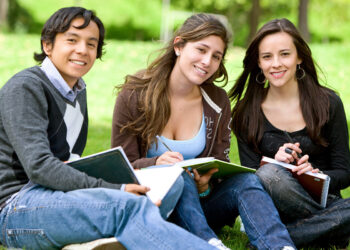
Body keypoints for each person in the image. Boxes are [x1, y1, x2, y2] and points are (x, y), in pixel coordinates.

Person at [0, 7, 221, 250]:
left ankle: (104, 239)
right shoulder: (25, 88)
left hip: (56, 196)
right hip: (16, 206)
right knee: (129, 204)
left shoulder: (75, 92)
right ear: (47, 45)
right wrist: (116, 189)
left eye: (91, 44)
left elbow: (67, 162)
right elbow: (40, 167)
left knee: (168, 184)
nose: (82, 50)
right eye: (72, 40)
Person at [112, 13, 296, 250]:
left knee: (247, 180)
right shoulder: (134, 94)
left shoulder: (217, 101)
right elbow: (119, 167)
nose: (207, 61)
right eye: (201, 50)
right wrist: (157, 162)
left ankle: (280, 246)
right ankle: (208, 244)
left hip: (202, 204)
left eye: (216, 56)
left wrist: (206, 184)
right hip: (154, 203)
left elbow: (220, 163)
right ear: (178, 46)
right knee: (176, 174)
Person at [229, 18, 350, 249]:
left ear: (299, 57)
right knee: (268, 175)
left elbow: (345, 172)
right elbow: (249, 182)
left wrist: (317, 174)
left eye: (284, 54)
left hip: (325, 201)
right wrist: (275, 163)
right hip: (275, 205)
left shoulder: (329, 103)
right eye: (267, 57)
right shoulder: (246, 112)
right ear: (258, 62)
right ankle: (333, 227)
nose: (276, 64)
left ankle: (284, 235)